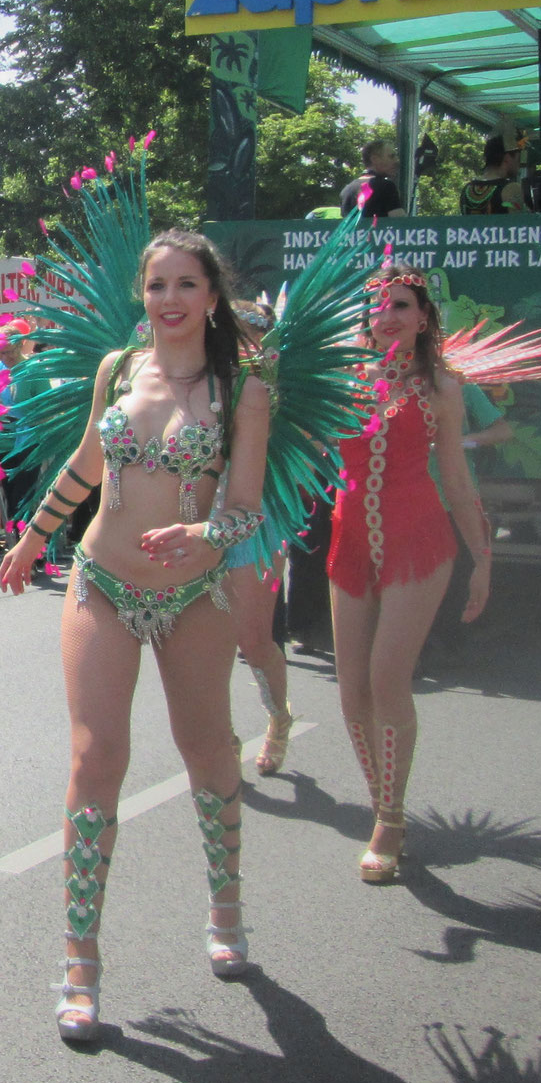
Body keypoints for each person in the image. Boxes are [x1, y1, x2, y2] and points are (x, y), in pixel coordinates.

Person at [0, 230, 272, 1044]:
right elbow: (89, 461)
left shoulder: (244, 387)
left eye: (187, 284)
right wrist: (34, 535)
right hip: (102, 582)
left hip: (196, 591)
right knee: (95, 757)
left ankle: (225, 905)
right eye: (157, 285)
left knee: (207, 748)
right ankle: (80, 962)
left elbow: (247, 504)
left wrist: (210, 539)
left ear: (212, 297)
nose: (171, 300)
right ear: (141, 295)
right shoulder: (116, 371)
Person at [328, 264, 490, 884]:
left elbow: (455, 477)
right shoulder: (343, 382)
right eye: (379, 306)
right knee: (351, 691)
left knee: (386, 678)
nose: (388, 315)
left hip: (416, 539)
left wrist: (483, 559)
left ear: (423, 316)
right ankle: (381, 801)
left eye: (401, 305)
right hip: (350, 542)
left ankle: (390, 822)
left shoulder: (442, 388)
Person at [222, 298, 296, 774]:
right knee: (207, 645)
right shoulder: (197, 378)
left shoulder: (275, 389)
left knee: (252, 640)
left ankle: (278, 718)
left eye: (250, 336)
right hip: (200, 520)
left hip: (259, 522)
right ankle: (222, 741)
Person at [340, 139, 406, 221]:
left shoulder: (347, 190)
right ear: (374, 159)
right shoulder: (386, 186)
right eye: (391, 156)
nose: (396, 160)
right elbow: (400, 224)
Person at [460, 135, 524, 216]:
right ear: (507, 158)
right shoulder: (512, 189)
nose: (519, 164)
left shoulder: (467, 189)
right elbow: (519, 224)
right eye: (518, 159)